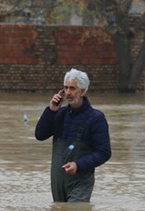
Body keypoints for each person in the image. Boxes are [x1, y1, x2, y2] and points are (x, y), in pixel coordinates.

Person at [34, 68, 112, 202]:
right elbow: (39, 135)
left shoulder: (96, 118)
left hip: (81, 181)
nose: (68, 93)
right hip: (58, 181)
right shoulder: (59, 114)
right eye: (65, 88)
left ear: (83, 91)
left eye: (72, 88)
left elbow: (104, 152)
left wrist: (78, 165)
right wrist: (51, 111)